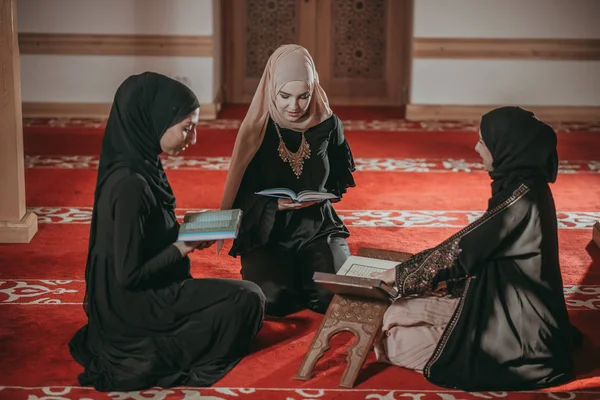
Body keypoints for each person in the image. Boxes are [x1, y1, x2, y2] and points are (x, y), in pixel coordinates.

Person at [68, 72, 265, 392]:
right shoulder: (130, 185)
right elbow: (129, 275)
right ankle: (158, 348)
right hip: (135, 306)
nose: (194, 138)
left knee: (243, 297)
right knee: (249, 299)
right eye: (187, 128)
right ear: (154, 121)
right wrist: (184, 245)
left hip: (138, 295)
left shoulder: (139, 164)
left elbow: (144, 236)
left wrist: (187, 231)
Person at [372, 106, 582, 391]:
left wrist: (399, 275)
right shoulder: (521, 185)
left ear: (505, 148)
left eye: (483, 142)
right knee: (394, 313)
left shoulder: (521, 200)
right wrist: (404, 276)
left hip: (521, 341)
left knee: (392, 342)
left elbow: (462, 250)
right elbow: (471, 244)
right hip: (497, 301)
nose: (476, 148)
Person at [218, 44, 356, 317]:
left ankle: (308, 272)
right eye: (284, 96)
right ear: (271, 89)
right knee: (271, 301)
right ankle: (295, 275)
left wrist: (319, 195)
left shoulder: (327, 124)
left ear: (313, 90)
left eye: (304, 96)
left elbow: (338, 181)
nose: (294, 106)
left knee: (337, 298)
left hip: (317, 228)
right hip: (267, 232)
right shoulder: (257, 130)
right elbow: (239, 196)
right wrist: (274, 206)